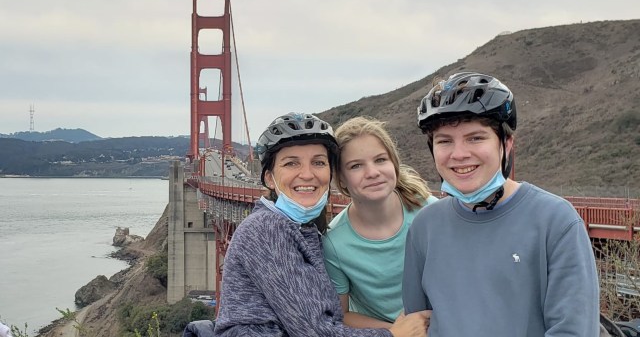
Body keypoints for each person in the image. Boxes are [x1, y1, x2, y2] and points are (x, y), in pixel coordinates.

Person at [403, 72, 600, 336]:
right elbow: (417, 324)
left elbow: (573, 330)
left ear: (506, 145)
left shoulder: (555, 221)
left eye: (476, 137)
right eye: (444, 141)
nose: (459, 154)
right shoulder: (424, 227)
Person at [213, 112, 429, 337]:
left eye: (318, 162)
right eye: (291, 163)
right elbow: (315, 331)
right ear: (269, 178)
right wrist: (394, 335)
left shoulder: (301, 228)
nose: (307, 174)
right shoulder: (265, 229)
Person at [323, 116, 437, 329]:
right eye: (356, 166)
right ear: (341, 179)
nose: (372, 173)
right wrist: (395, 331)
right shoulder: (334, 243)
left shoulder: (429, 211)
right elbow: (341, 314)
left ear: (394, 164)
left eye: (380, 160)